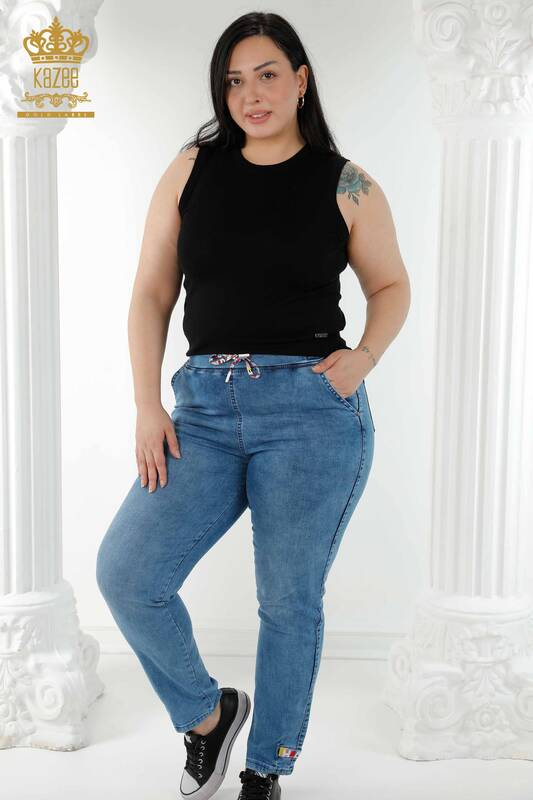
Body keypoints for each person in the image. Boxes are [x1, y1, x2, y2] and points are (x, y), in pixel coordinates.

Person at [95, 11, 410, 800]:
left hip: (311, 412)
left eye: (267, 74)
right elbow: (151, 292)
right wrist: (145, 405)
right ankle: (208, 717)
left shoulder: (346, 182)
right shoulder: (192, 167)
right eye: (234, 81)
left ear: (300, 80)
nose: (250, 94)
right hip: (201, 411)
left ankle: (266, 768)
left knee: (287, 601)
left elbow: (390, 284)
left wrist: (364, 357)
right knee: (128, 573)